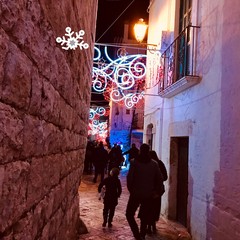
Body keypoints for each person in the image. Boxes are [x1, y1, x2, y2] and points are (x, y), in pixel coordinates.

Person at [126, 144, 164, 240]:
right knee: (145, 216)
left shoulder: (134, 163)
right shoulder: (154, 164)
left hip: (136, 193)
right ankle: (142, 234)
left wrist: (131, 189)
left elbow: (130, 178)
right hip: (149, 194)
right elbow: (160, 179)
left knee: (129, 214)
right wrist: (156, 191)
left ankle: (137, 235)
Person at [139, 150, 168, 234]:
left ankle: (147, 226)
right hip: (156, 191)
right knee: (154, 208)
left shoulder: (147, 164)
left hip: (149, 191)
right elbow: (165, 177)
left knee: (147, 208)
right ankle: (152, 225)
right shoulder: (160, 163)